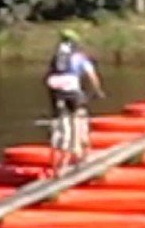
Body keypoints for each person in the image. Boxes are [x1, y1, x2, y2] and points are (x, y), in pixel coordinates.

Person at [43, 29, 105, 173]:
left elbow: (48, 76)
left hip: (56, 91)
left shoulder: (56, 57)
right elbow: (92, 77)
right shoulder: (79, 57)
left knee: (61, 120)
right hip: (72, 91)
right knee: (78, 117)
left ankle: (57, 155)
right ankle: (78, 151)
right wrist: (97, 91)